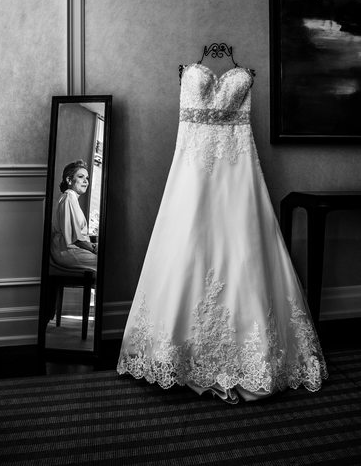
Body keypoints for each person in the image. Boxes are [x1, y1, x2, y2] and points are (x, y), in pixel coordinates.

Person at [117, 61, 328, 404]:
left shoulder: (243, 76)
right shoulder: (188, 72)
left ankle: (252, 359)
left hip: (238, 174)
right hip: (191, 175)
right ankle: (176, 356)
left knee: (244, 252)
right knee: (187, 251)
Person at [51, 160, 97, 272]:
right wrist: (94, 248)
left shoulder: (70, 198)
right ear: (69, 180)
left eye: (87, 178)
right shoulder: (69, 198)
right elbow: (76, 239)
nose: (86, 181)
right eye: (81, 177)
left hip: (71, 249)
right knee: (110, 261)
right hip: (68, 251)